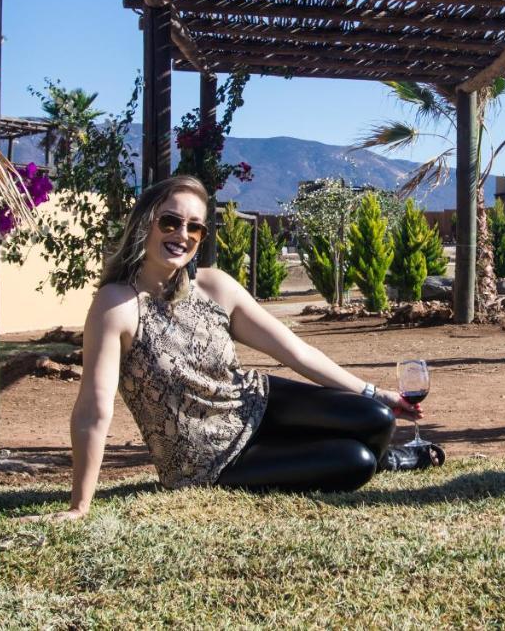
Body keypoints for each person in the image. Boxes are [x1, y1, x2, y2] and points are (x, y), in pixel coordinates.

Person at [25, 175, 427, 522]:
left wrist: (378, 393)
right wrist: (80, 504)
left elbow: (295, 352)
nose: (182, 234)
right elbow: (94, 408)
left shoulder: (214, 285)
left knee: (374, 417)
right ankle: (379, 462)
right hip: (208, 457)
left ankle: (378, 456)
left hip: (255, 403)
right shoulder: (117, 304)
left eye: (194, 227)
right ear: (144, 224)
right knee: (354, 462)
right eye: (170, 221)